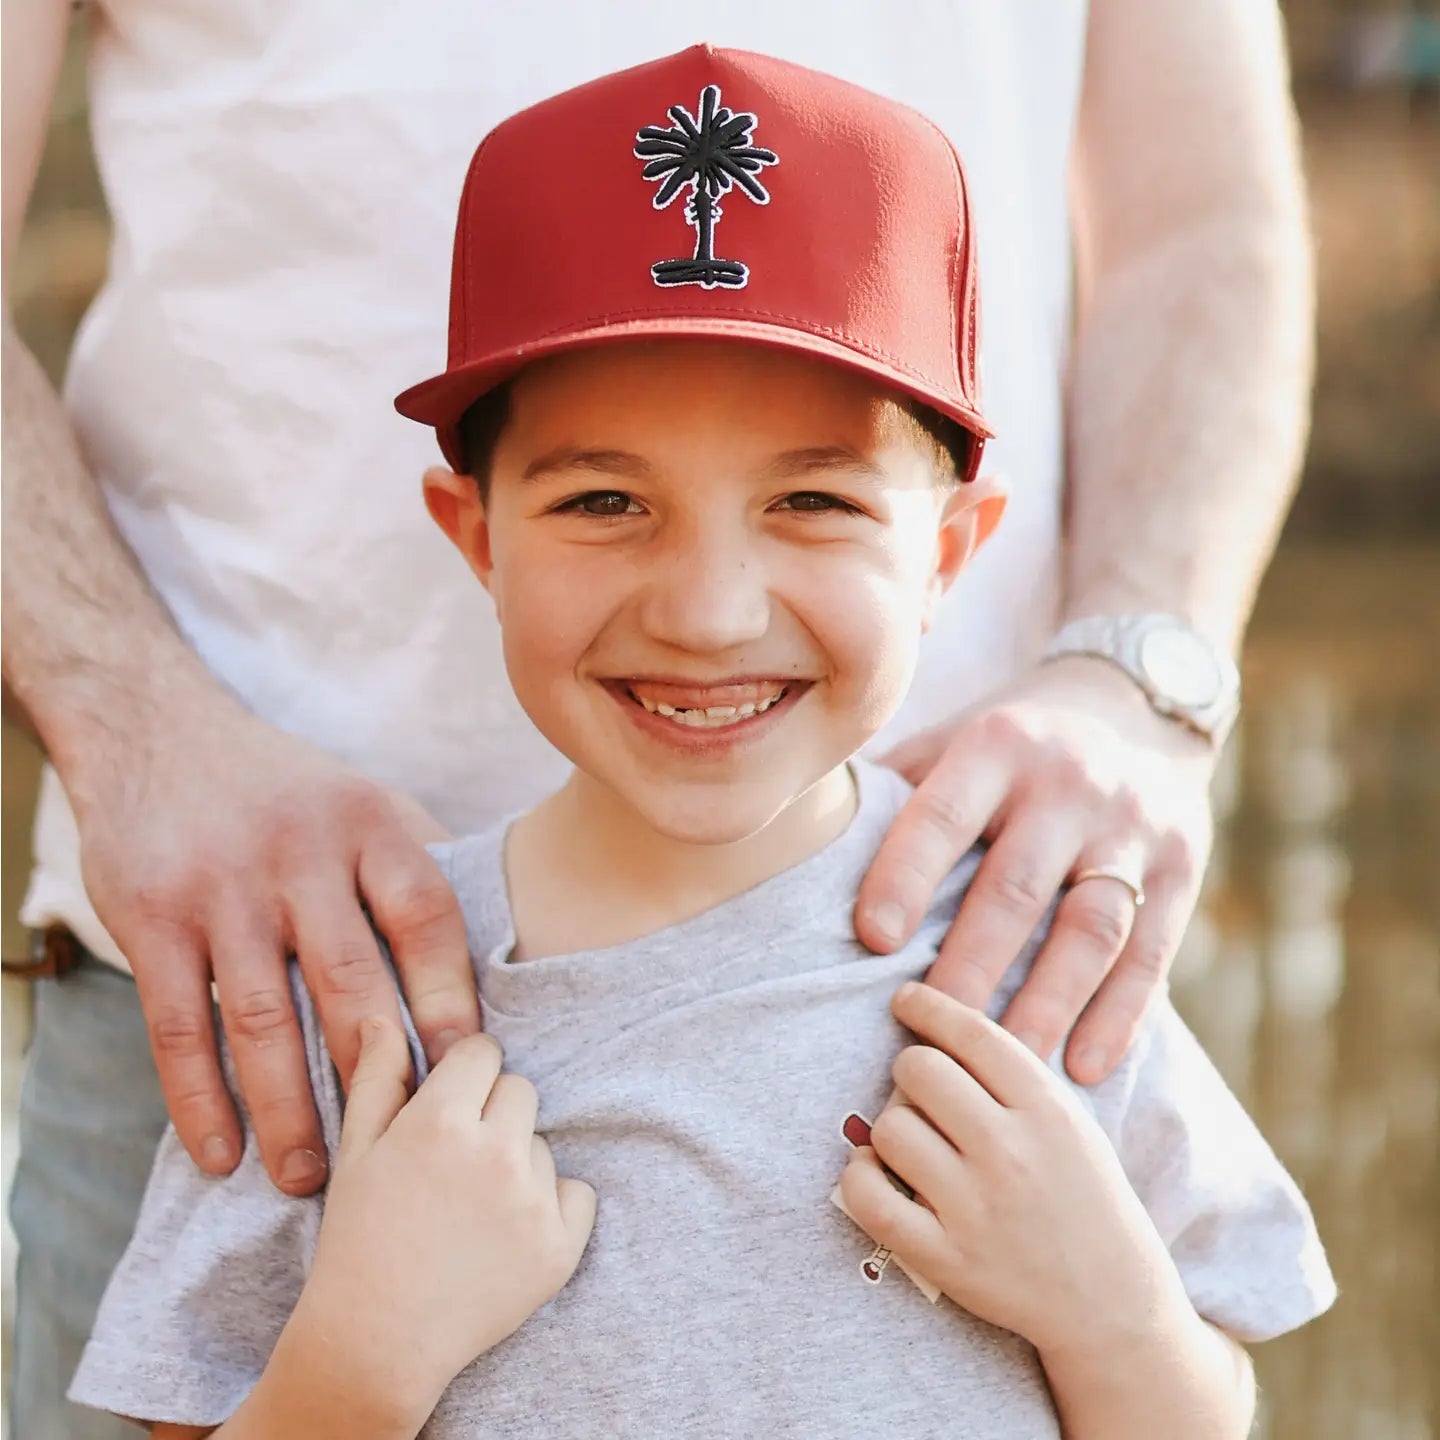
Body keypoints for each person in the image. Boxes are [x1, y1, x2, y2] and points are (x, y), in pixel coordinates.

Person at [1, 4, 1315, 1435]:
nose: (709, 612)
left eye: (812, 499)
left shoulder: (1036, 968)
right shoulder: (351, 1039)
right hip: (240, 933)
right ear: (474, 533)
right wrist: (359, 1360)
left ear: (950, 549)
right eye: (604, 500)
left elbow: (1205, 222)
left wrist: (1112, 1318)